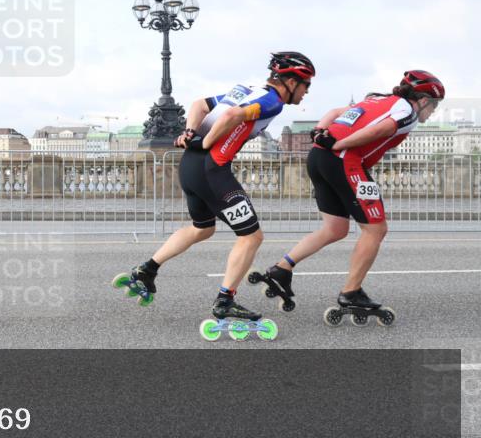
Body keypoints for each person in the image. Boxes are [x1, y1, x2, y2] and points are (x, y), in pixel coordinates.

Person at [126, 51, 316, 321]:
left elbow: (199, 105)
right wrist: (204, 142)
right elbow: (231, 117)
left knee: (202, 228)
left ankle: (147, 269)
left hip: (190, 166)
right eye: (306, 85)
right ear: (292, 82)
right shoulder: (273, 101)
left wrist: (191, 132)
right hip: (212, 170)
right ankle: (225, 300)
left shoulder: (246, 89)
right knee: (252, 236)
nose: (307, 92)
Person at [257, 70, 445, 313]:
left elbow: (335, 113)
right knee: (376, 229)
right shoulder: (408, 112)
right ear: (422, 100)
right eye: (434, 105)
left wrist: (319, 132)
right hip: (345, 160)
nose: (433, 111)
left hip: (318, 157)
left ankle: (281, 269)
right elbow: (382, 130)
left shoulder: (376, 99)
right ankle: (351, 292)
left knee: (335, 229)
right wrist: (340, 144)